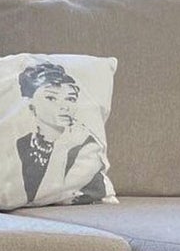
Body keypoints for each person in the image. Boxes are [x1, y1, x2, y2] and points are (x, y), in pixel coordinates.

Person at [15, 61, 109, 204]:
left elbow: (45, 195)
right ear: (29, 103)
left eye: (70, 99)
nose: (64, 107)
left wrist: (61, 147)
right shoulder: (22, 143)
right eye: (51, 98)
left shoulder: (88, 147)